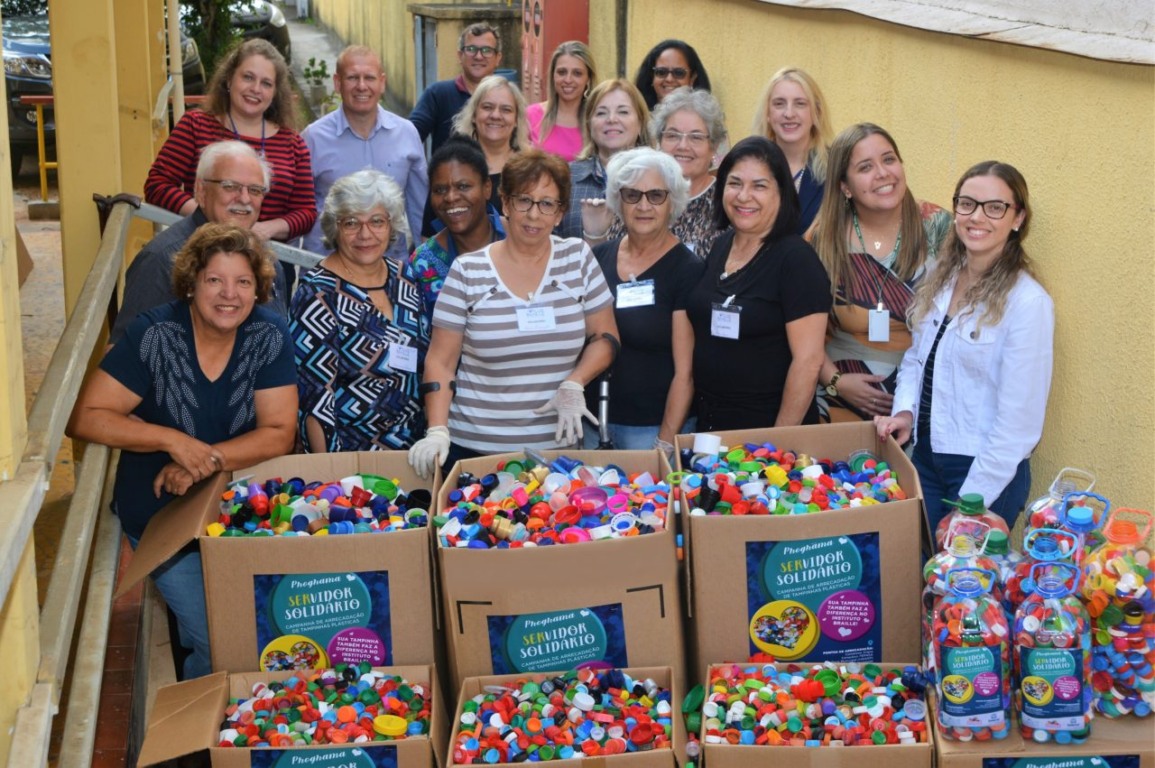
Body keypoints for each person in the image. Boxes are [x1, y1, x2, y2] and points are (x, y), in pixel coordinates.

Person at [67, 224, 297, 679]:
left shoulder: (268, 334)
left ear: (258, 290)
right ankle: (202, 743)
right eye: (215, 280)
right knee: (220, 642)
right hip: (160, 516)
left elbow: (278, 432)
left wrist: (203, 460)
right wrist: (172, 440)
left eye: (243, 282)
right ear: (191, 283)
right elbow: (86, 416)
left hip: (237, 515)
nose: (229, 294)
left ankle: (216, 733)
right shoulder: (153, 335)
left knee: (246, 634)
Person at [408, 149, 618, 477]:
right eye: (524, 200)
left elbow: (605, 337)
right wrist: (437, 430)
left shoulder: (578, 258)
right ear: (505, 204)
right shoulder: (467, 269)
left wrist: (576, 383)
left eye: (547, 204)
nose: (534, 215)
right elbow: (440, 361)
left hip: (555, 457)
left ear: (560, 213)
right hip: (473, 452)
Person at [876, 161, 1052, 534]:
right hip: (925, 457)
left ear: (1017, 218)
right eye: (967, 203)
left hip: (984, 472)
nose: (977, 217)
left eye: (995, 207)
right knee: (929, 577)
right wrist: (904, 413)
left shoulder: (1027, 303)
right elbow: (916, 358)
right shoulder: (940, 280)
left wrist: (970, 504)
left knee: (967, 586)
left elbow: (1018, 428)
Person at [685, 136, 831, 430]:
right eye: (735, 183)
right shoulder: (721, 246)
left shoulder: (796, 261)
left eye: (759, 186)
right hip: (710, 426)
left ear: (782, 193)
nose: (743, 196)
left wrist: (778, 444)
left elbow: (808, 361)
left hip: (765, 442)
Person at [811, 123, 952, 422]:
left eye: (889, 159)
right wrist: (834, 381)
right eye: (865, 167)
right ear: (844, 186)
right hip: (840, 400)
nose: (883, 173)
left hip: (920, 402)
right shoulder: (823, 238)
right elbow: (800, 330)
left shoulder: (937, 226)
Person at [290, 170, 429, 452]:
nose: (365, 234)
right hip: (352, 461)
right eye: (351, 223)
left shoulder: (406, 278)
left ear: (391, 225)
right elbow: (315, 402)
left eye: (377, 221)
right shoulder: (317, 294)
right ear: (334, 228)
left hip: (417, 451)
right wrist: (332, 478)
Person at [582, 148, 702, 453]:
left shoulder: (687, 269)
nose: (644, 205)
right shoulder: (599, 256)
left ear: (672, 201)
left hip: (650, 430)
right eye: (632, 194)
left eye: (656, 195)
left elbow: (685, 373)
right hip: (593, 424)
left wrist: (664, 442)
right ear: (618, 200)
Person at [112, 140, 291, 344]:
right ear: (201, 191)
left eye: (255, 190)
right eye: (230, 186)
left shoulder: (268, 262)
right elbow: (121, 352)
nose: (244, 198)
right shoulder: (163, 258)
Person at [145, 39, 316, 243]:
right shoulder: (196, 126)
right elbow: (157, 185)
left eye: (266, 83)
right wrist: (209, 217)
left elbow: (306, 212)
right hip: (204, 252)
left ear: (275, 93)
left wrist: (266, 229)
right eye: (248, 77)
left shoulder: (293, 144)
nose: (255, 88)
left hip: (272, 259)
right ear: (229, 80)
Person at [301, 46, 427, 257]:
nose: (361, 86)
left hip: (391, 269)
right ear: (337, 83)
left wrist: (424, 266)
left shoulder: (406, 134)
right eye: (352, 78)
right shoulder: (312, 138)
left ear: (382, 82)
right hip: (327, 269)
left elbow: (419, 210)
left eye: (369, 77)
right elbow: (299, 211)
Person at [405, 137, 506, 321]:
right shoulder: (423, 262)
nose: (451, 197)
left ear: (487, 188)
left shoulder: (518, 238)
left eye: (463, 186)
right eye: (440, 190)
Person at [420, 75, 527, 237]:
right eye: (487, 107)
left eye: (506, 109)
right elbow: (428, 235)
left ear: (516, 119)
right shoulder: (451, 166)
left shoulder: (530, 169)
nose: (496, 115)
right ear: (474, 115)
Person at [559, 79, 650, 241]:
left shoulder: (657, 179)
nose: (612, 119)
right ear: (589, 124)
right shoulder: (564, 177)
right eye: (601, 113)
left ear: (640, 124)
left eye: (623, 112)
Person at [752, 67, 834, 234]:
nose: (789, 113)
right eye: (779, 104)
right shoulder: (749, 164)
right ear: (768, 112)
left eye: (800, 104)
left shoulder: (836, 167)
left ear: (816, 112)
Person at [651, 87, 726, 256]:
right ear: (659, 142)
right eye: (673, 135)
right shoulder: (640, 197)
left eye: (696, 137)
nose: (683, 146)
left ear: (713, 147)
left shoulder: (727, 204)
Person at [410, 22, 503, 155]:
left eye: (486, 50)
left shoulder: (507, 98)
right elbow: (409, 137)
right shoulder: (437, 94)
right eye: (471, 49)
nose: (478, 56)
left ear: (498, 58)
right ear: (460, 55)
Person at [526, 41, 596, 162]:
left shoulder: (596, 119)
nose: (568, 80)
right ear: (553, 75)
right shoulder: (531, 115)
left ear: (588, 79)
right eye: (562, 72)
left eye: (577, 73)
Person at [632, 39, 712, 110]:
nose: (669, 79)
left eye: (679, 73)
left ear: (692, 78)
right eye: (661, 72)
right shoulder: (639, 120)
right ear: (652, 76)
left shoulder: (704, 122)